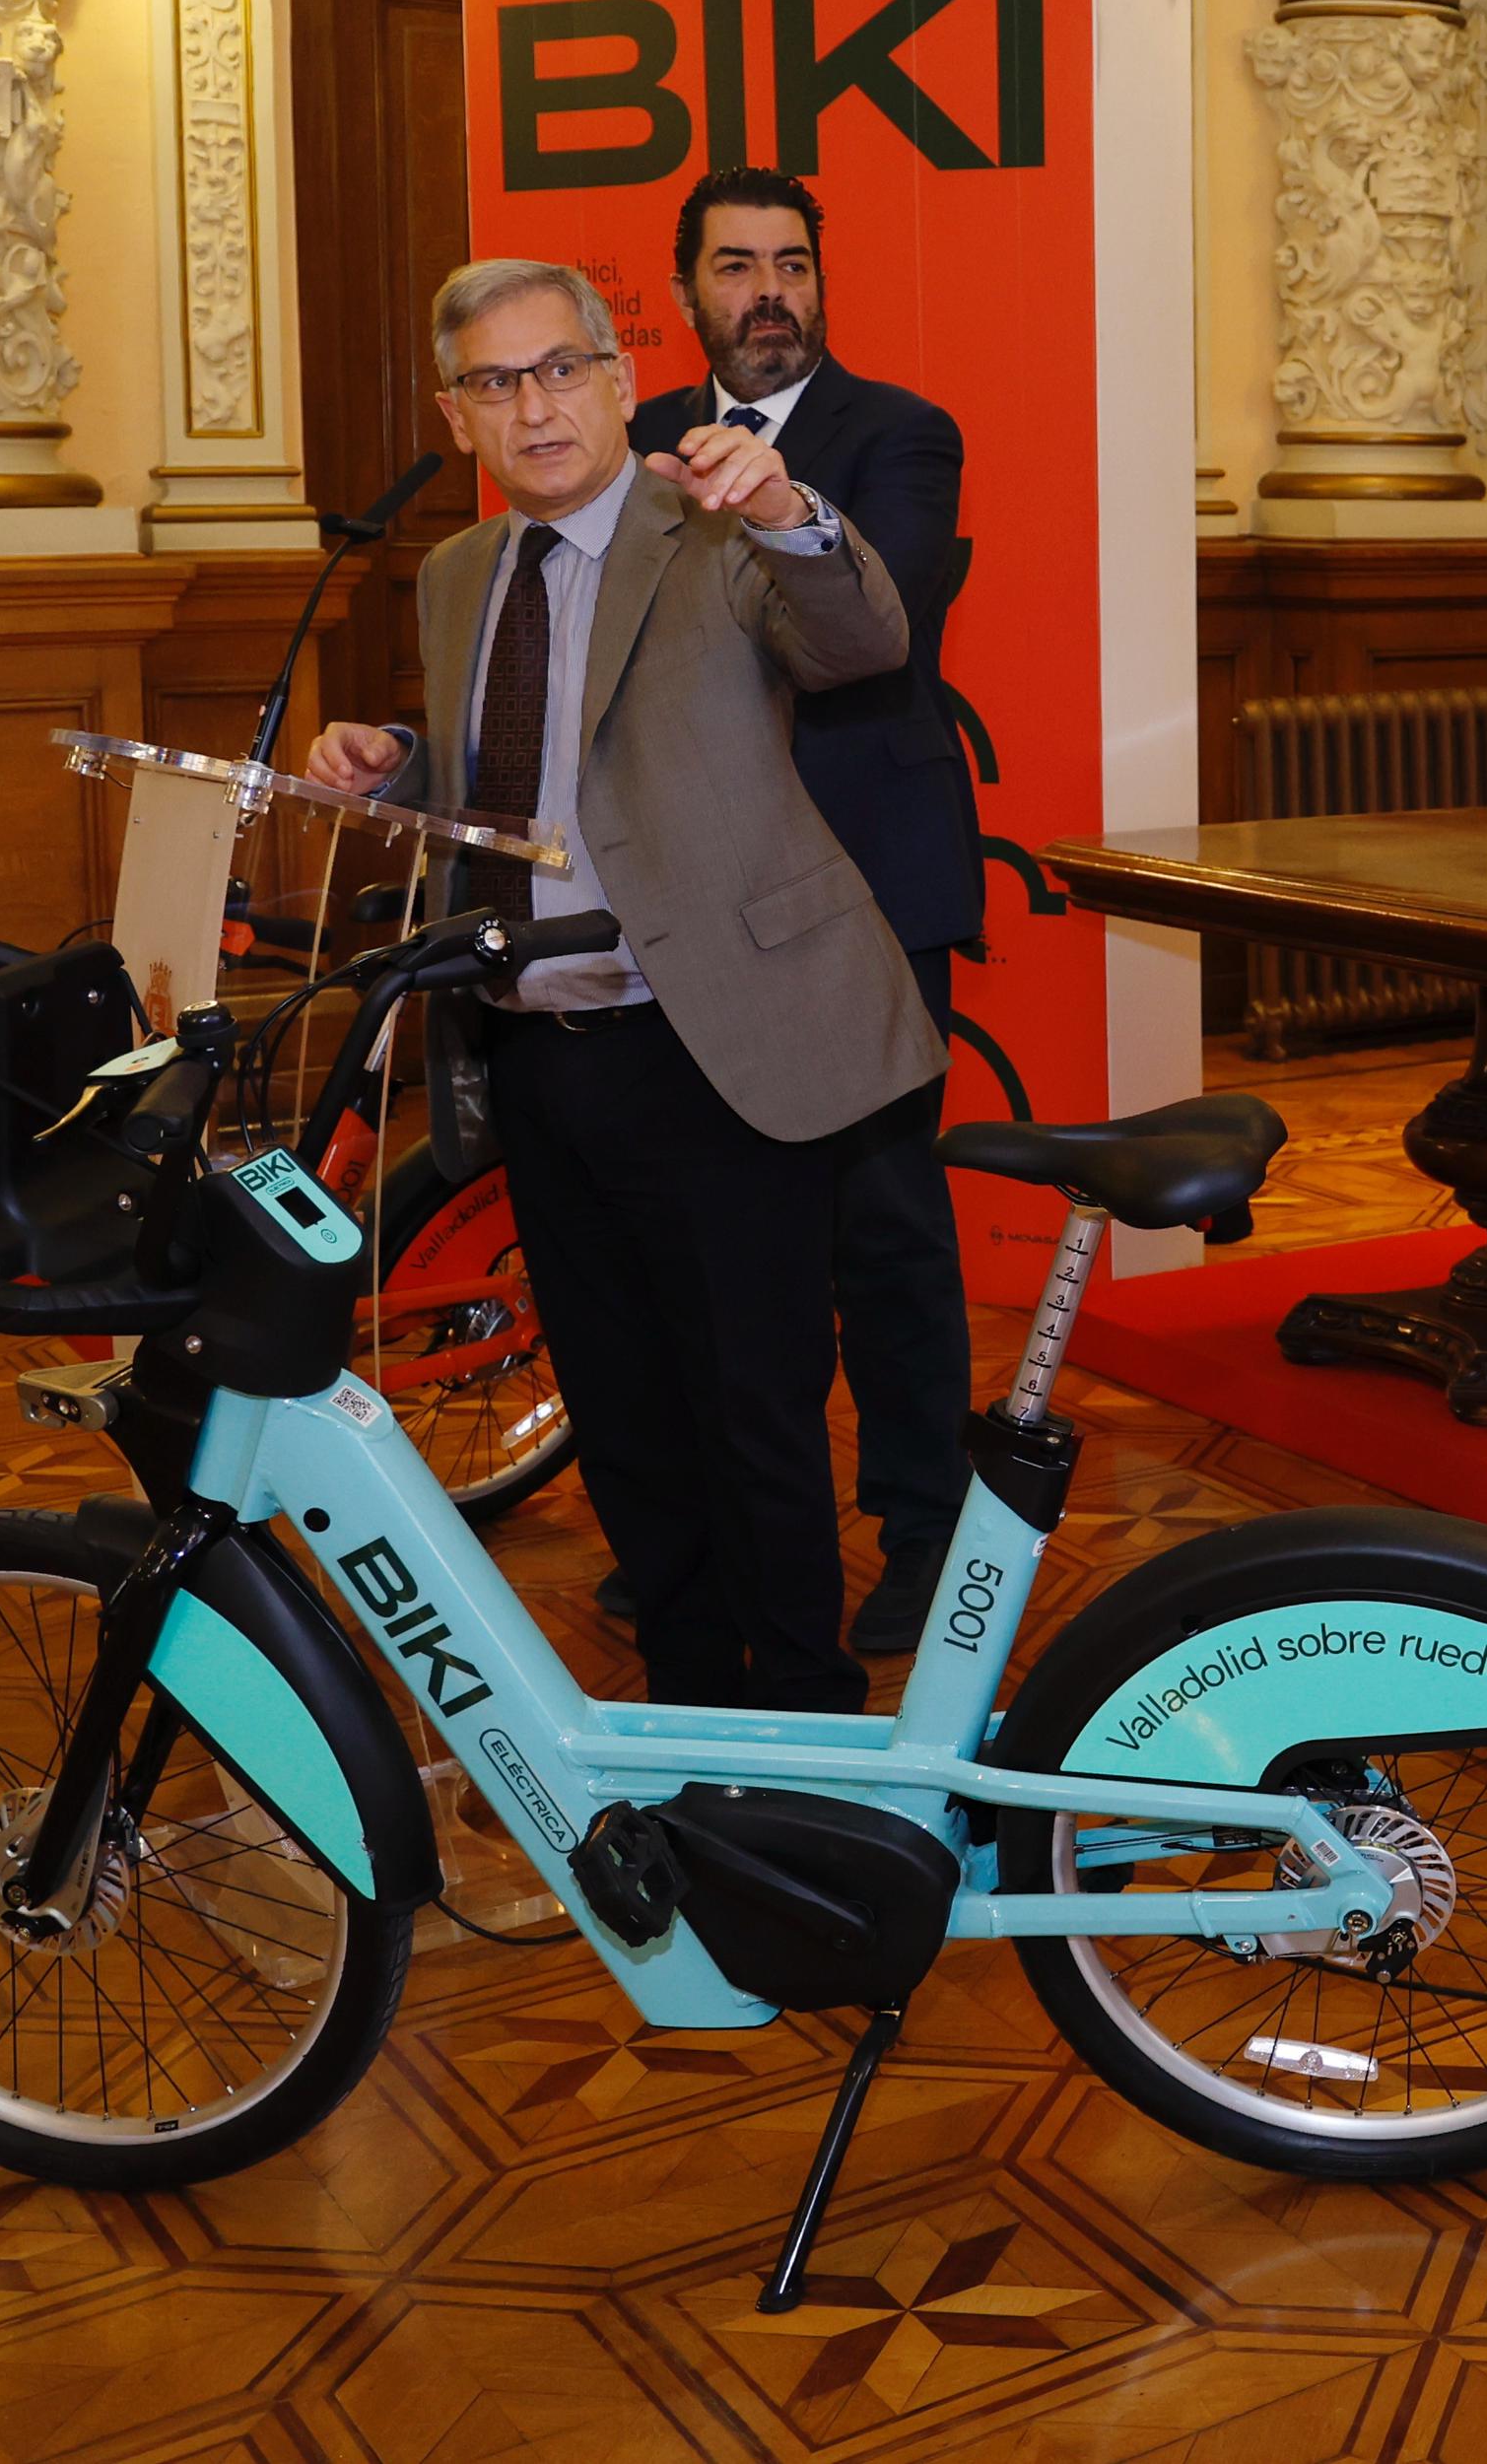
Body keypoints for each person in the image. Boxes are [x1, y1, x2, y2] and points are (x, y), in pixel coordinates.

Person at [304, 257, 943, 1716]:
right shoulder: (458, 574)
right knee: (624, 1419)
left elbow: (862, 641)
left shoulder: (712, 528)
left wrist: (788, 510)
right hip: (541, 1050)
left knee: (755, 1416)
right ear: (456, 415)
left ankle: (805, 1729)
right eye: (493, 382)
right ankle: (687, 1712)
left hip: (713, 1042)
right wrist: (401, 768)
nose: (533, 407)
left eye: (559, 369)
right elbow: (520, 776)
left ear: (618, 377)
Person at [628, 166, 981, 1654]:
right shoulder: (634, 440)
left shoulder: (898, 432)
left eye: (792, 263)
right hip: (698, 892)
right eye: (736, 266)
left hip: (867, 874)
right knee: (713, 1234)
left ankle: (927, 1530)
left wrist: (776, 505)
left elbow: (875, 620)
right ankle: (726, 1530)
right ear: (686, 292)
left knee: (883, 1228)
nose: (769, 291)